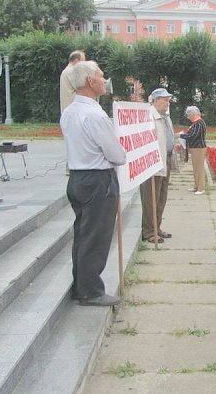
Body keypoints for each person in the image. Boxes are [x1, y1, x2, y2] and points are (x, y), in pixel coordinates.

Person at [60, 61, 126, 307]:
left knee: (83, 234)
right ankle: (90, 291)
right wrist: (123, 152)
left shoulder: (69, 112)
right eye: (100, 76)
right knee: (96, 237)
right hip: (98, 180)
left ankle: (82, 285)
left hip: (77, 177)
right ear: (90, 81)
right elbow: (116, 155)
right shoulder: (95, 115)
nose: (104, 80)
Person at [140, 88, 175, 243]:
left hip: (165, 158)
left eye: (168, 100)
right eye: (165, 100)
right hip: (152, 161)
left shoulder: (165, 116)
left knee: (161, 196)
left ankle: (157, 227)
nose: (168, 103)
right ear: (154, 100)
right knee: (150, 197)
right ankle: (148, 231)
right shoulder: (148, 117)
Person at [180, 106, 207, 194]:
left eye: (189, 115)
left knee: (199, 169)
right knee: (196, 168)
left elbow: (193, 136)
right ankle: (196, 186)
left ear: (193, 114)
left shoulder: (199, 123)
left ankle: (201, 188)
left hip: (199, 148)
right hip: (195, 148)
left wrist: (181, 136)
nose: (188, 117)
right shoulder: (196, 123)